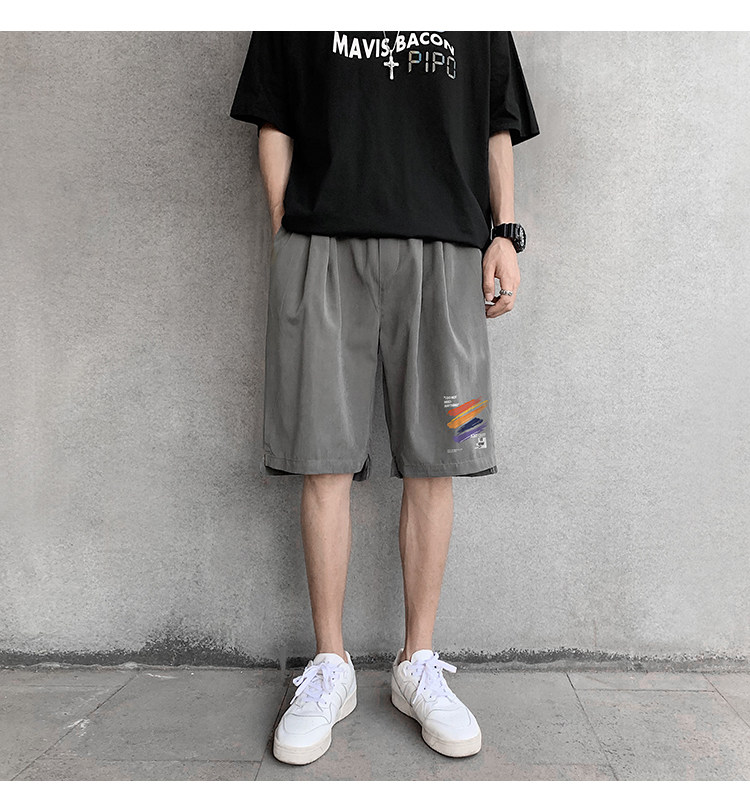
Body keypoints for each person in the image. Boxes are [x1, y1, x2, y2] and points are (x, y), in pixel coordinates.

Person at [230, 30, 539, 766]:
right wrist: (286, 235)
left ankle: (416, 663)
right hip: (321, 247)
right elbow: (274, 118)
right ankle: (330, 665)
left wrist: (504, 234)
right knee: (321, 457)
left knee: (442, 455)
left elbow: (496, 121)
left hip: (448, 252)